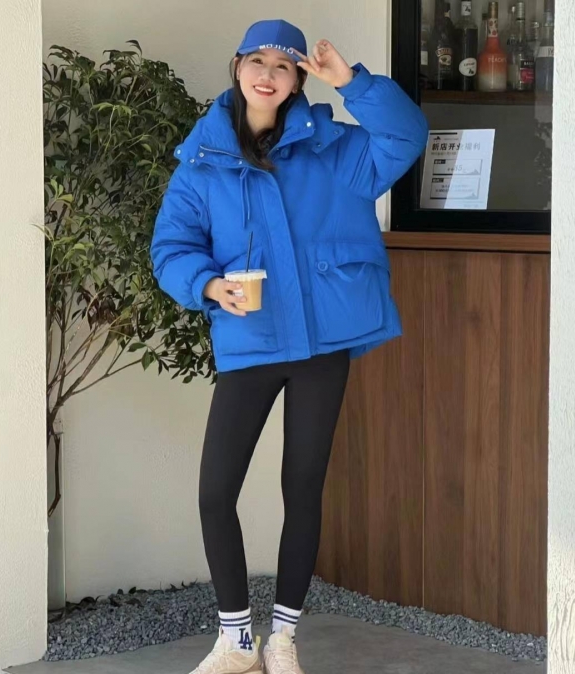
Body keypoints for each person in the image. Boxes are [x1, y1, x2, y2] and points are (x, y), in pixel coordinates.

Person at [150, 17, 428, 674]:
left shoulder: (336, 148)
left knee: (302, 486)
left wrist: (352, 82)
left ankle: (282, 640)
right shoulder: (203, 160)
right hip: (251, 339)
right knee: (216, 492)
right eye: (258, 61)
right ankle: (236, 640)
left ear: (300, 79)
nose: (268, 75)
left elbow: (407, 136)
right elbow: (171, 247)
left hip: (321, 343)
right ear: (237, 66)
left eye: (284, 66)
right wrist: (207, 284)